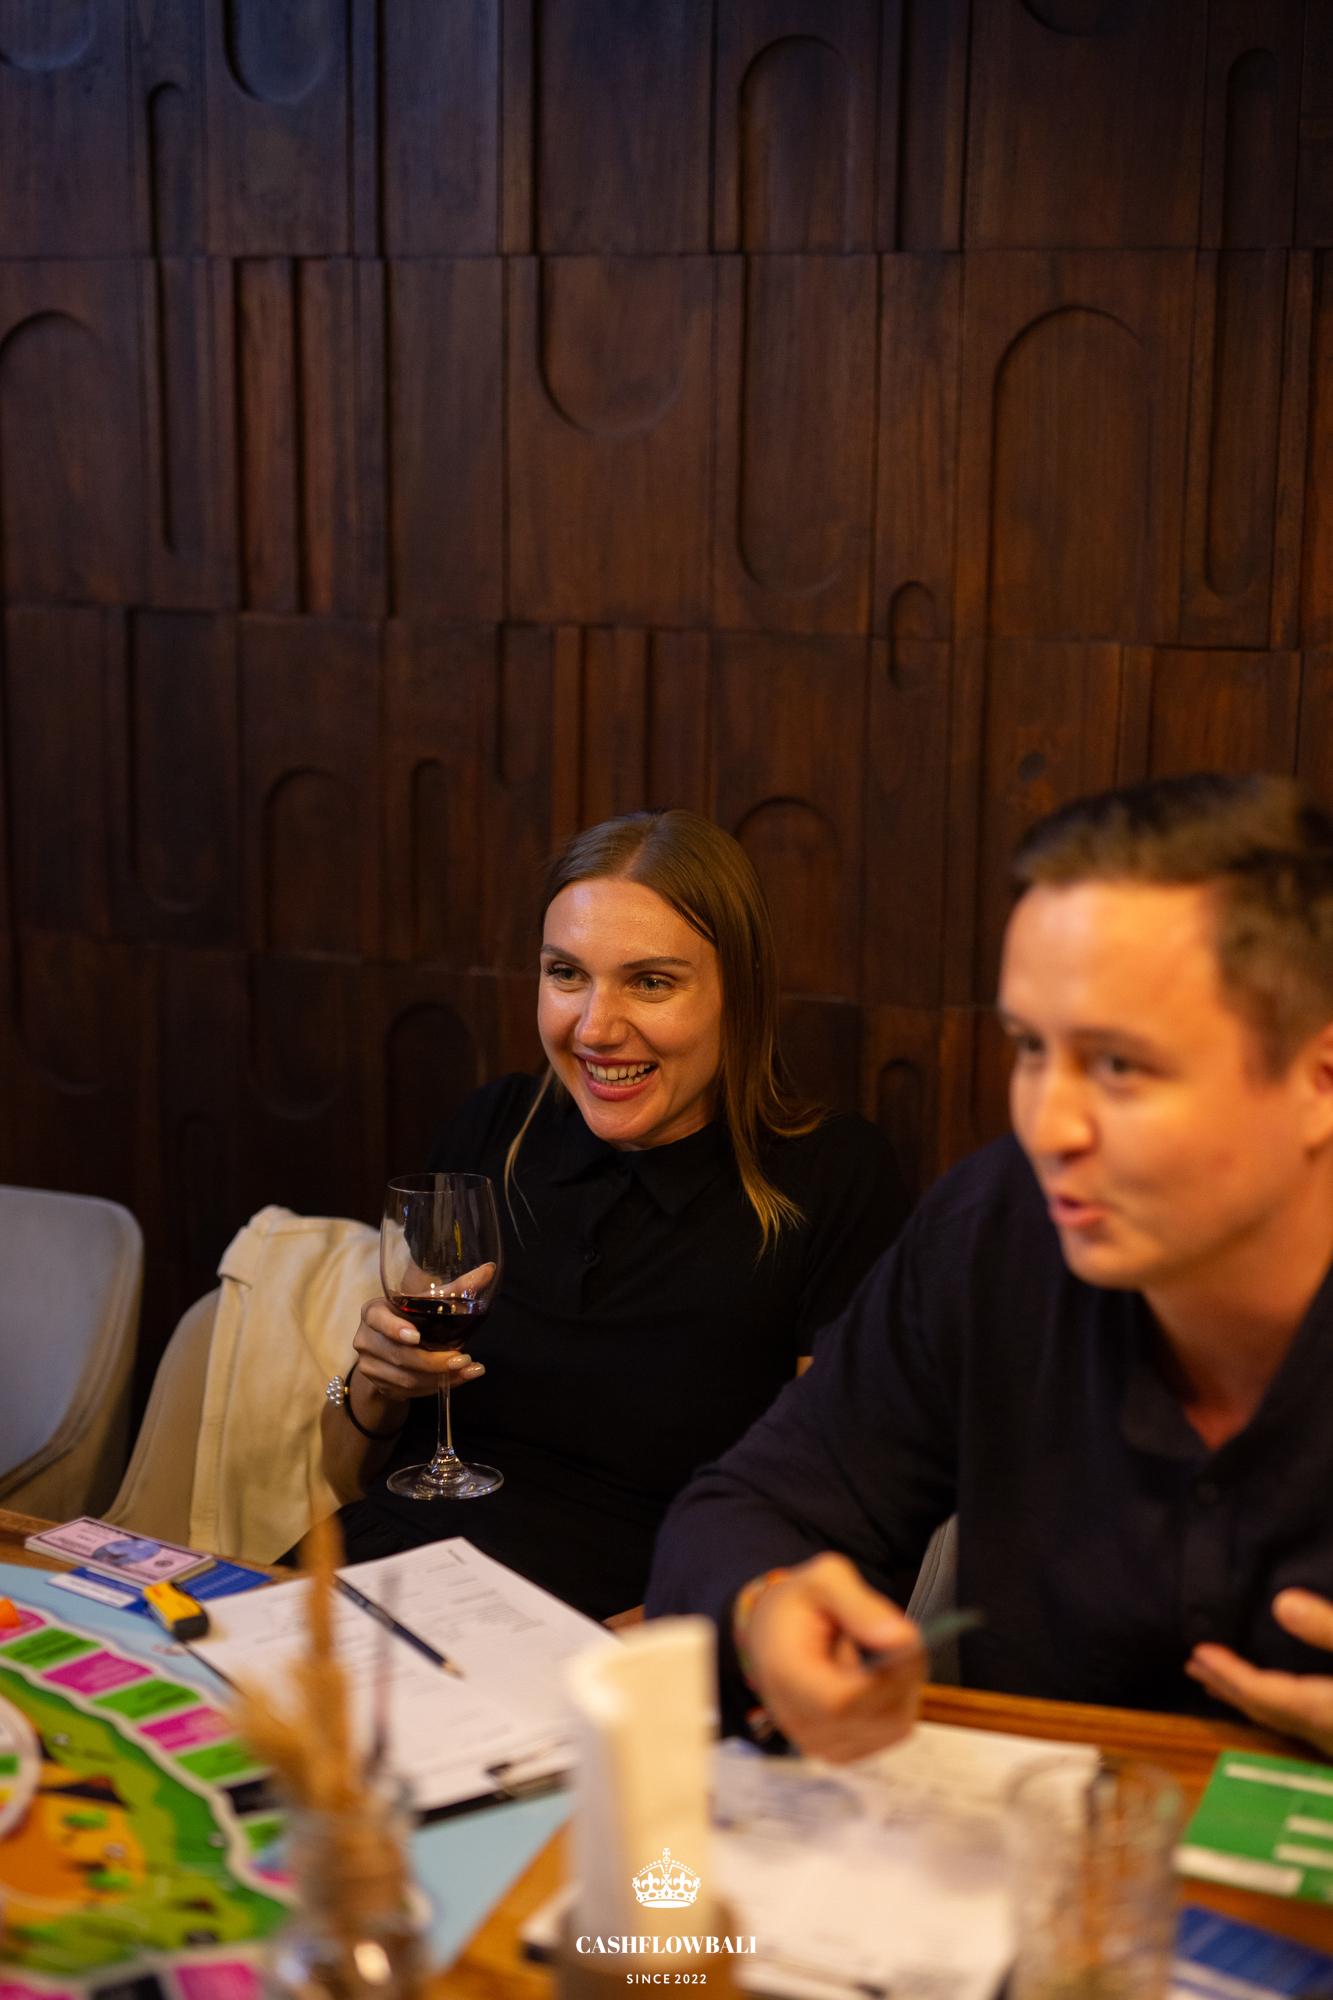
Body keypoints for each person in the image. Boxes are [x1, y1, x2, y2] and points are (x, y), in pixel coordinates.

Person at [647, 773, 1333, 1762]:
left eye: (1118, 1066)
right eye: (1028, 1048)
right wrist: (767, 1610)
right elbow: (744, 1511)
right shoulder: (998, 1227)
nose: (1048, 1127)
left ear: (1316, 1080)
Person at [319, 809, 907, 1620]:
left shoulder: (833, 1175)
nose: (595, 1029)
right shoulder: (492, 1129)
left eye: (651, 982)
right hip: (368, 1579)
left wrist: (628, 1654)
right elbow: (347, 1477)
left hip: (611, 1627)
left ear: (738, 993)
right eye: (566, 974)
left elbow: (834, 1523)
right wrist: (373, 1387)